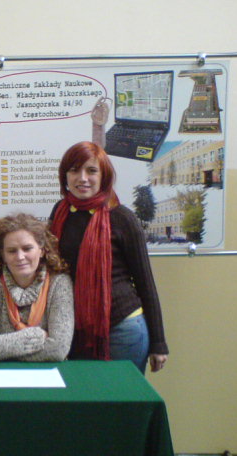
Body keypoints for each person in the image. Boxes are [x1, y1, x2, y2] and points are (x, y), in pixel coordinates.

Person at [49, 141, 169, 374]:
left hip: (122, 329)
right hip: (72, 328)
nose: (82, 178)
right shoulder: (60, 211)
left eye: (91, 171)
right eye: (74, 170)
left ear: (104, 176)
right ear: (65, 176)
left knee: (121, 396)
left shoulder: (122, 218)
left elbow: (145, 283)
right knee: (82, 395)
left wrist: (159, 343)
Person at [0, 214, 74, 362]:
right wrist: (38, 336)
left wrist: (0, 350)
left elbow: (58, 350)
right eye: (12, 251)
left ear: (42, 250)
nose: (20, 257)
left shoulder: (59, 283)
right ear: (2, 255)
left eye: (27, 248)